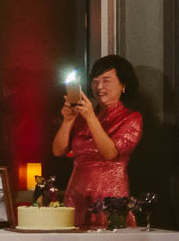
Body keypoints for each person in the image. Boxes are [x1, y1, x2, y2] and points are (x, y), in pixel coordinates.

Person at [51, 54, 143, 227]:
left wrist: (90, 117)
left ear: (123, 84)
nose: (99, 87)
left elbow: (110, 153)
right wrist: (68, 120)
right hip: (77, 194)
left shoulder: (131, 118)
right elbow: (58, 151)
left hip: (110, 196)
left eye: (106, 80)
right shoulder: (83, 115)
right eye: (95, 81)